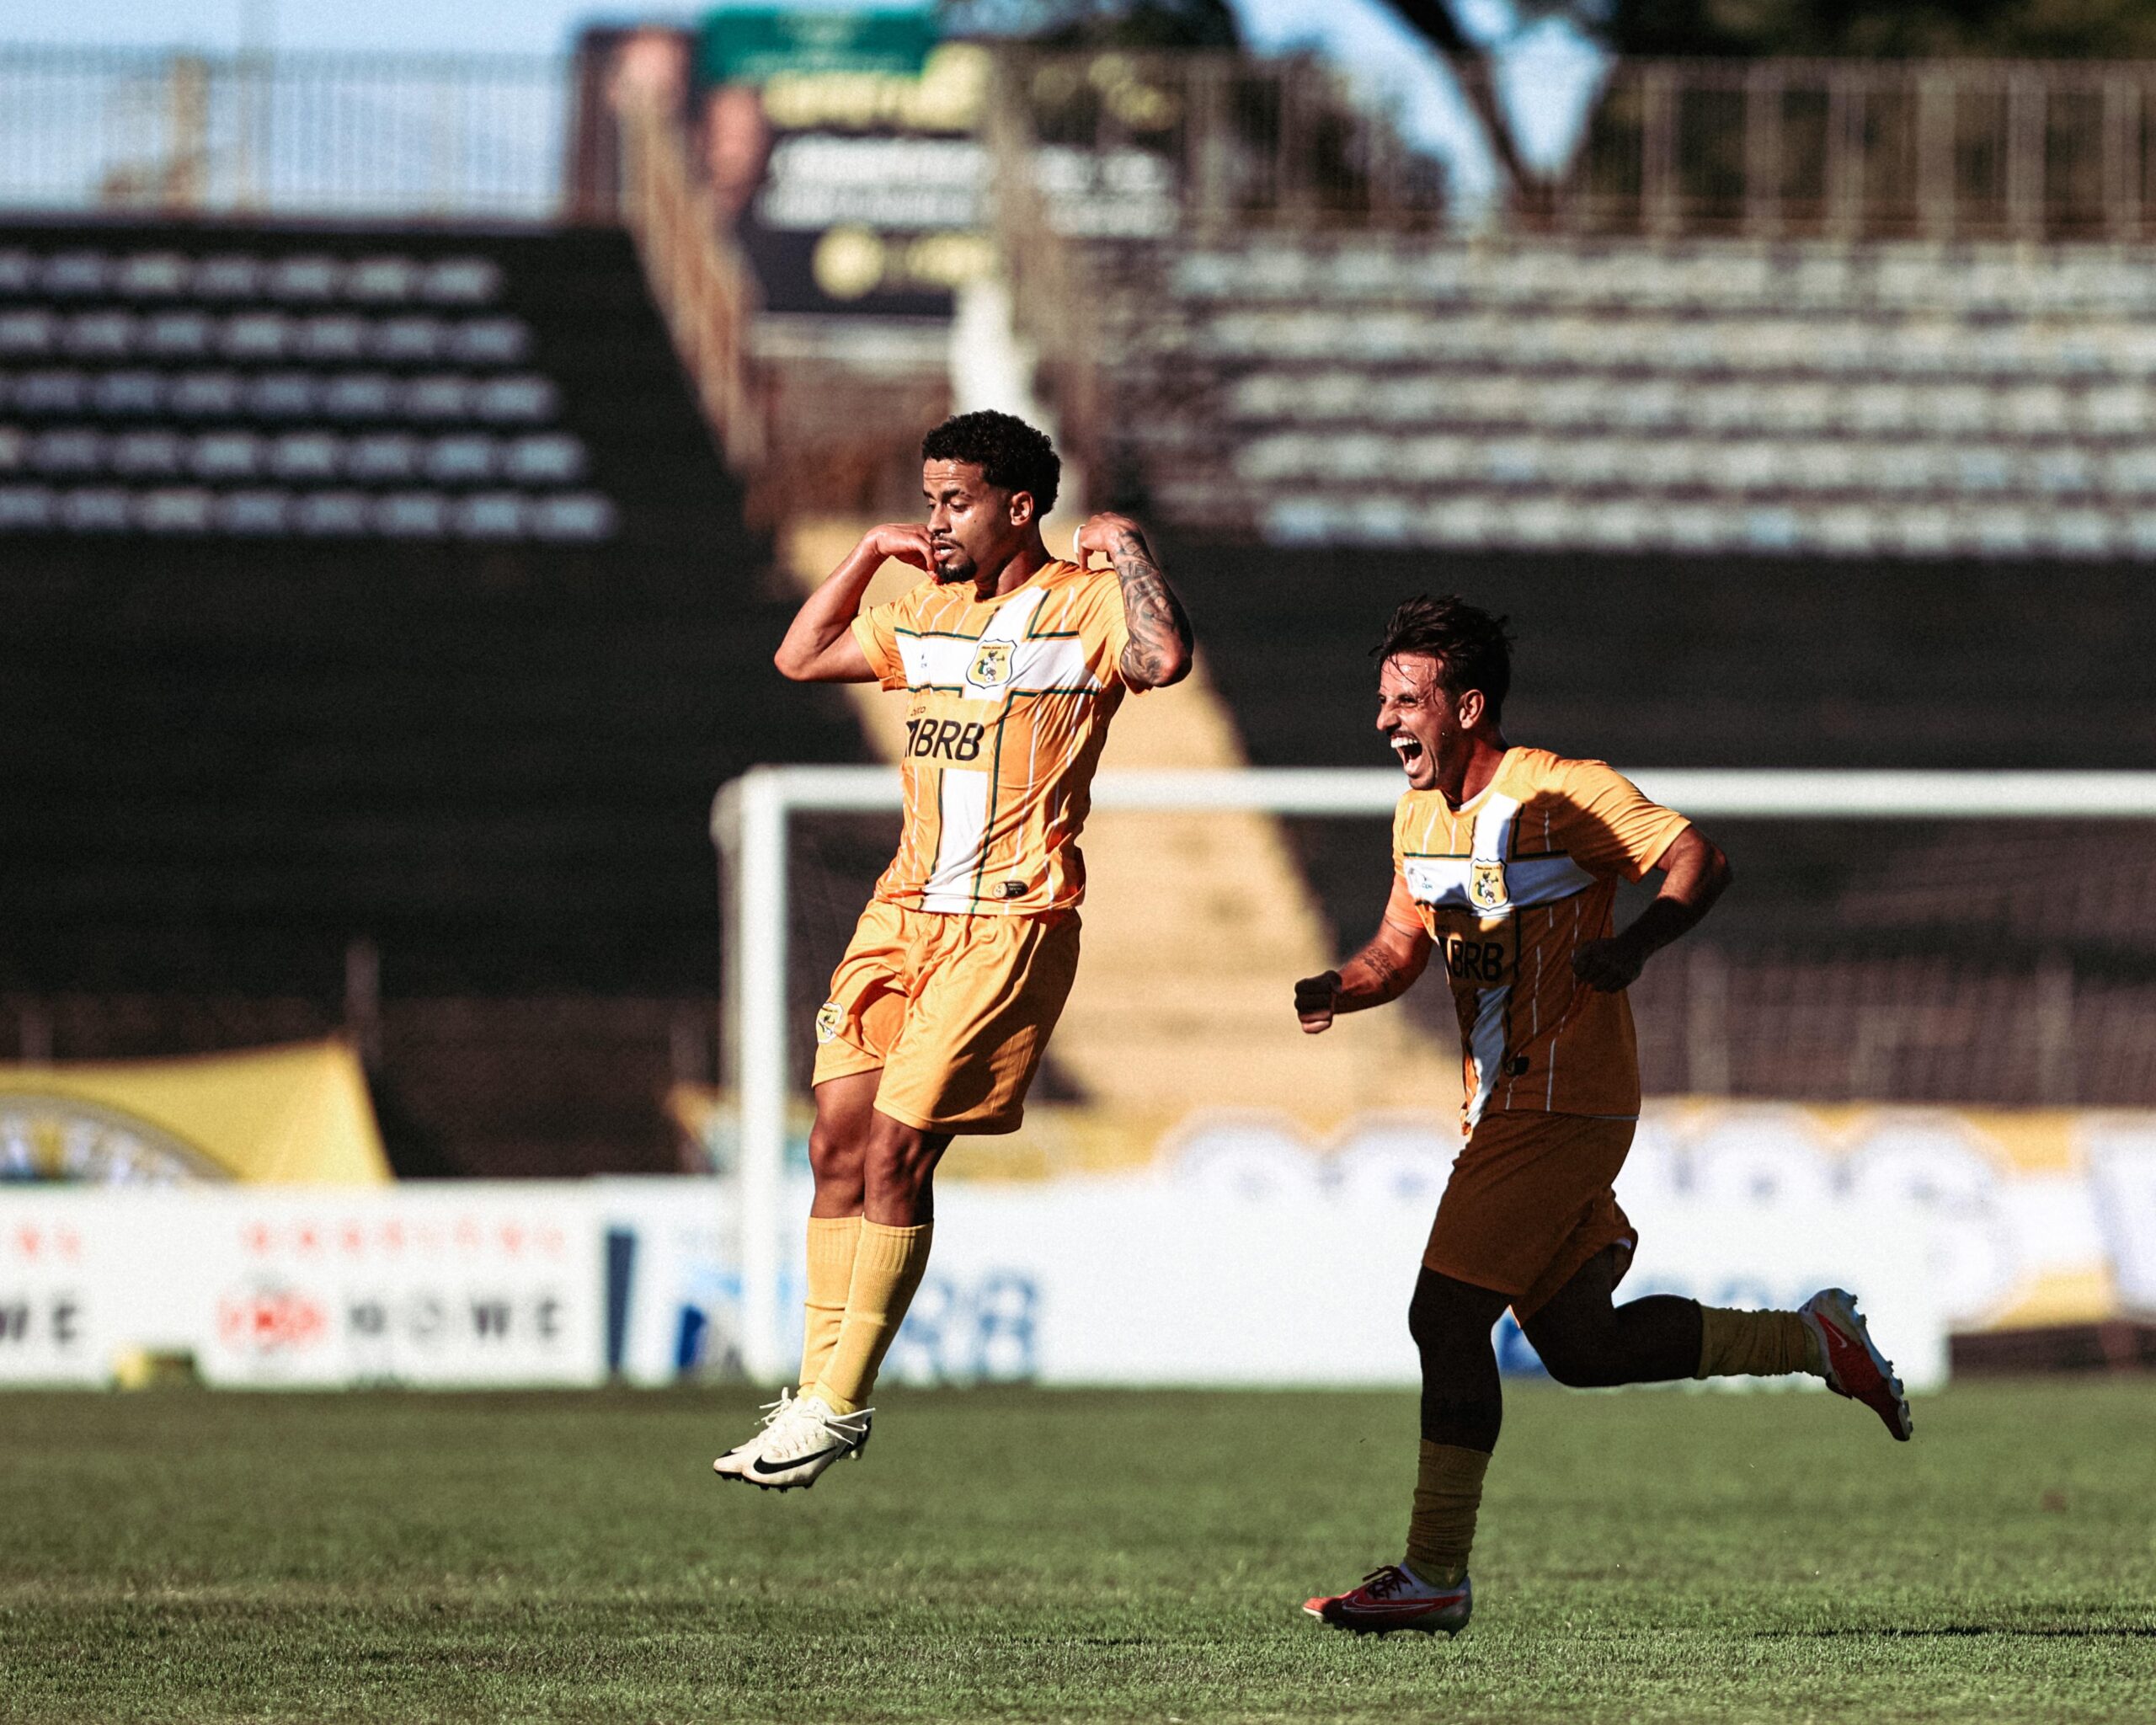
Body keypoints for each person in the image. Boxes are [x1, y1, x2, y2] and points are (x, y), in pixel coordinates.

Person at [1294, 594, 1909, 1636]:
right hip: (1505, 1104)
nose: (1385, 720)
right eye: (1382, 699)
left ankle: (1434, 1569)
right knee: (1580, 1344)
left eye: (1407, 699)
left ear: (1469, 704)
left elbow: (1695, 860)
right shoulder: (1415, 817)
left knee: (1443, 1316)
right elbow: (1398, 948)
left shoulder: (1558, 792)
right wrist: (1342, 986)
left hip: (1561, 1094)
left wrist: (1633, 945)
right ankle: (1809, 1339)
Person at [713, 410, 1194, 1490]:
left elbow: (1163, 655)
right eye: (928, 498)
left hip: (1007, 921)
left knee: (894, 1152)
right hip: (900, 915)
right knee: (834, 1143)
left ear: (1019, 507)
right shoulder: (924, 612)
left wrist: (1126, 550)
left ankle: (839, 1404)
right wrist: (867, 552)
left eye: (954, 500)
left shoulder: (1082, 609)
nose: (934, 519)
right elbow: (798, 656)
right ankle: (809, 1391)